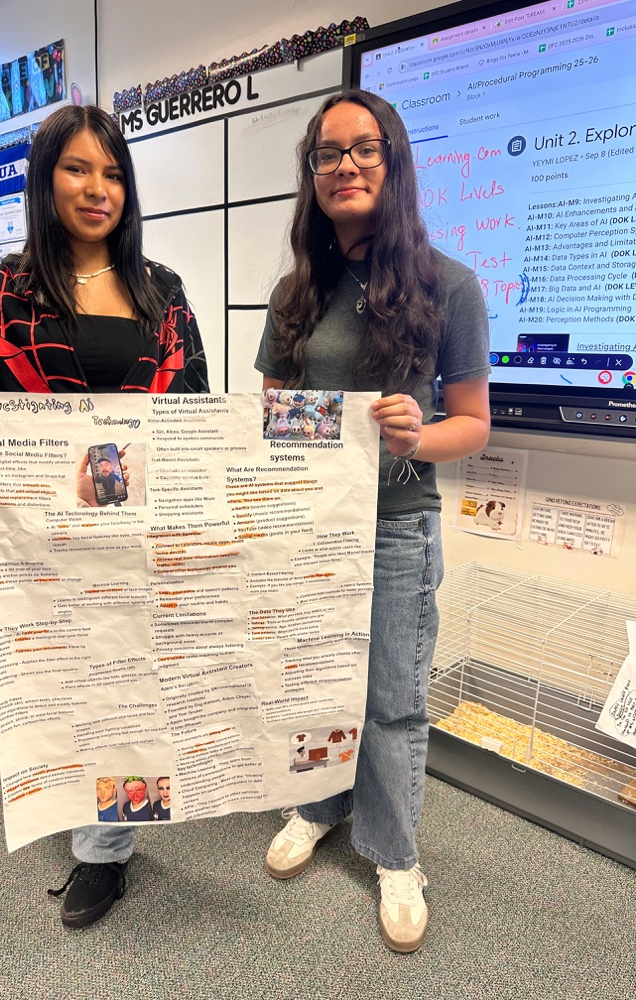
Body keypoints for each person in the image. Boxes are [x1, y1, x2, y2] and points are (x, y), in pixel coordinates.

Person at [0, 103, 209, 930]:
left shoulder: (164, 289)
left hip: (142, 532)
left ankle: (105, 851)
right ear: (45, 179)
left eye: (114, 172)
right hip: (44, 538)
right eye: (78, 169)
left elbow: (192, 414)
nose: (98, 188)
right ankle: (83, 822)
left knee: (133, 692)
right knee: (68, 691)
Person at [255, 90, 490, 954]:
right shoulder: (296, 292)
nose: (344, 166)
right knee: (314, 679)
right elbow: (270, 414)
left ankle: (394, 853)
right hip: (310, 529)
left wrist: (417, 434)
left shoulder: (448, 284)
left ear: (394, 162)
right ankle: (316, 803)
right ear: (311, 174)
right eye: (326, 154)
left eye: (363, 149)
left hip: (395, 527)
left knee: (392, 700)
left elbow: (473, 422)